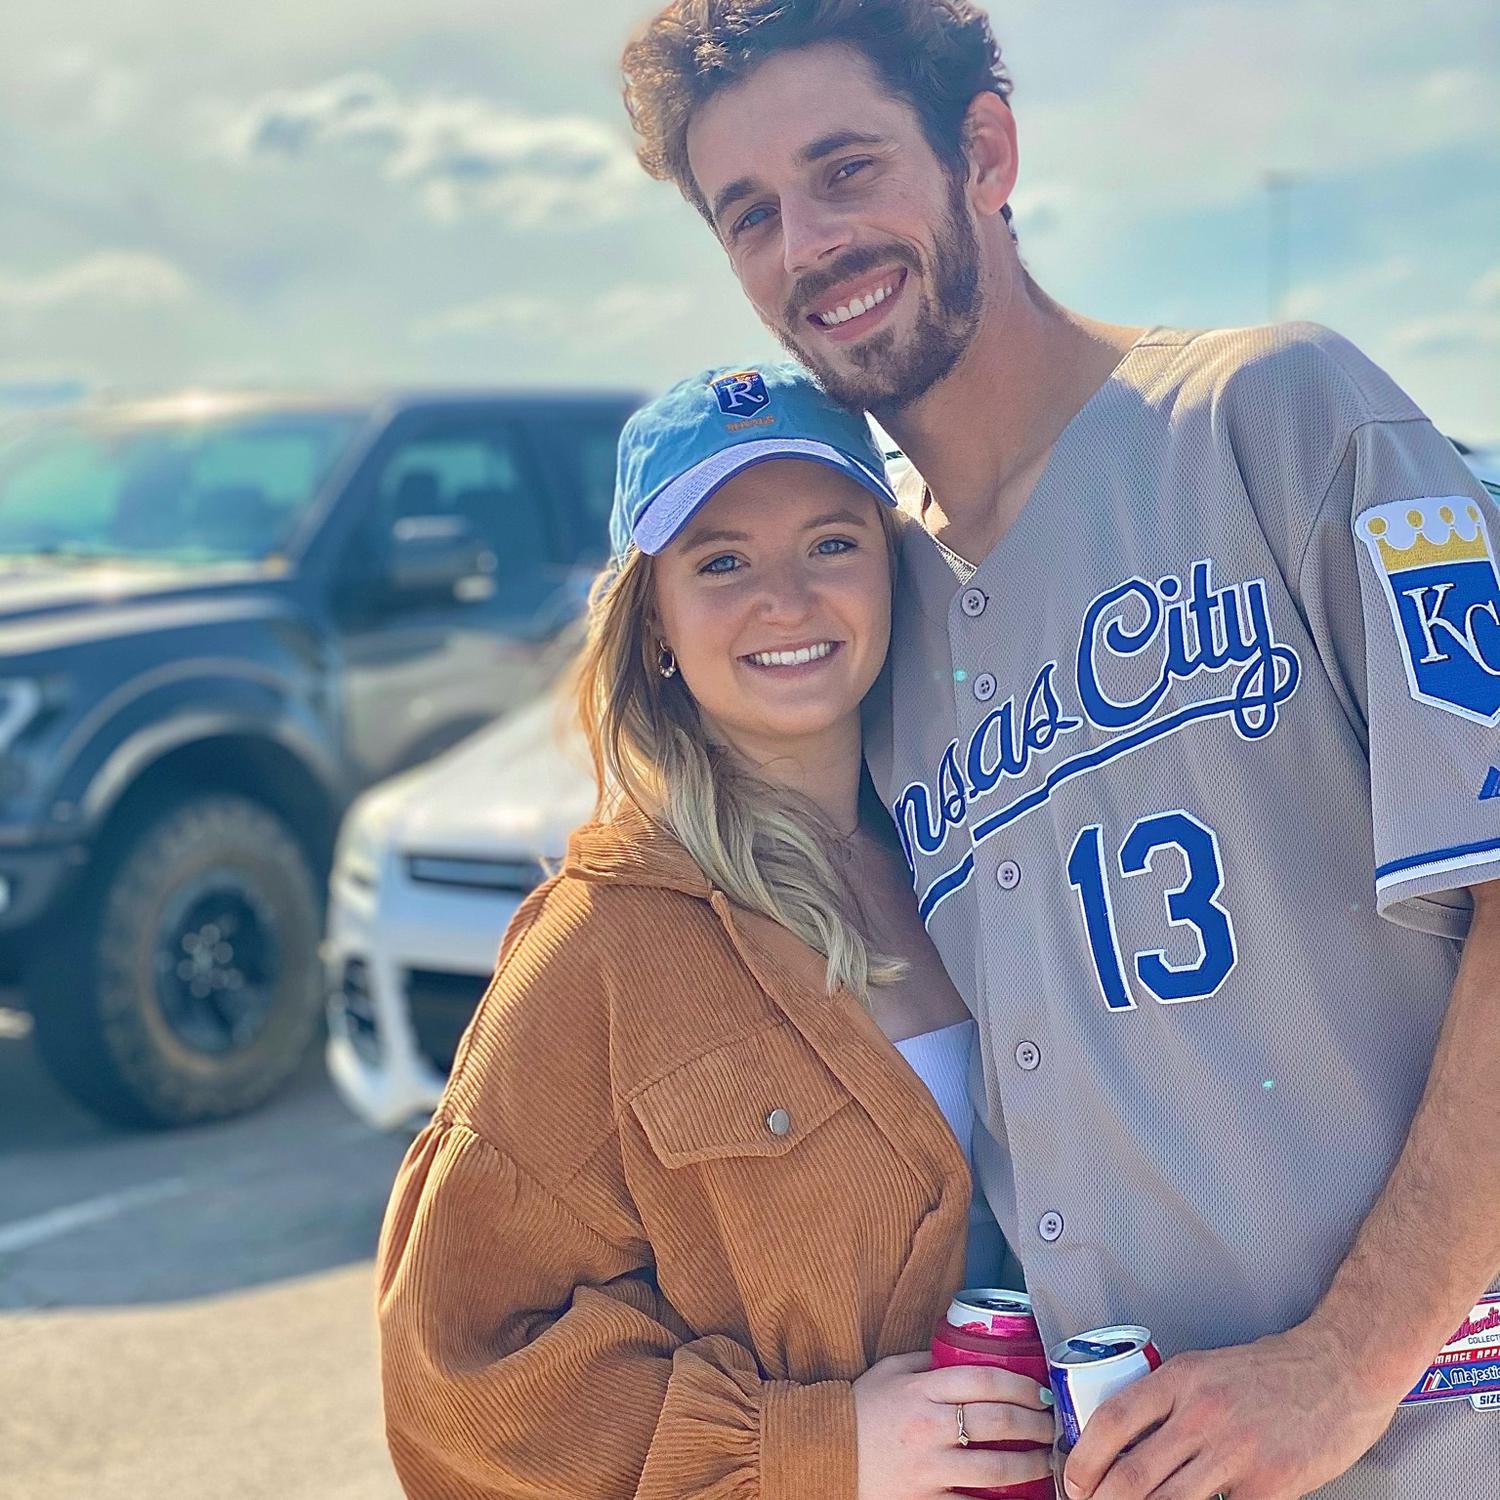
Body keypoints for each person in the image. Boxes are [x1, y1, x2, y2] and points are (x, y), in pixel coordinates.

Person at [618, 4, 1500, 1499]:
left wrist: (1351, 1358)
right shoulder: (872, 618)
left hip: (1435, 1439)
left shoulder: (1274, 417)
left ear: (985, 150)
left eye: (845, 170)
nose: (806, 245)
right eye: (748, 213)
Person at [376, 363, 1056, 1499]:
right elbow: (455, 1378)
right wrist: (815, 1447)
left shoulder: (976, 857)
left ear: (893, 574)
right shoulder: (596, 946)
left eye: (833, 543)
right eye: (722, 561)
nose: (785, 600)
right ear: (654, 625)